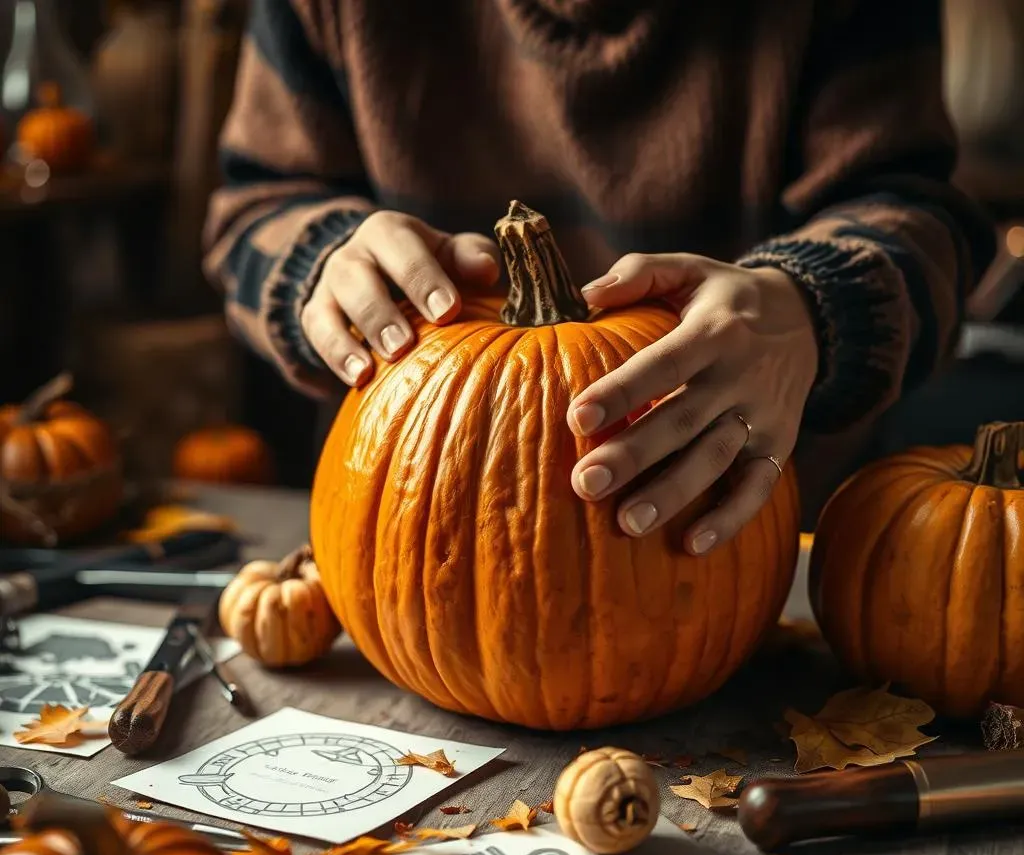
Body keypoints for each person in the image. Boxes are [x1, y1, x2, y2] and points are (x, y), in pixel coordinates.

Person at [203, 0, 993, 554]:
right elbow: (253, 208)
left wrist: (817, 307)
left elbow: (925, 222)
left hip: (770, 564)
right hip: (408, 551)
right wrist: (322, 261)